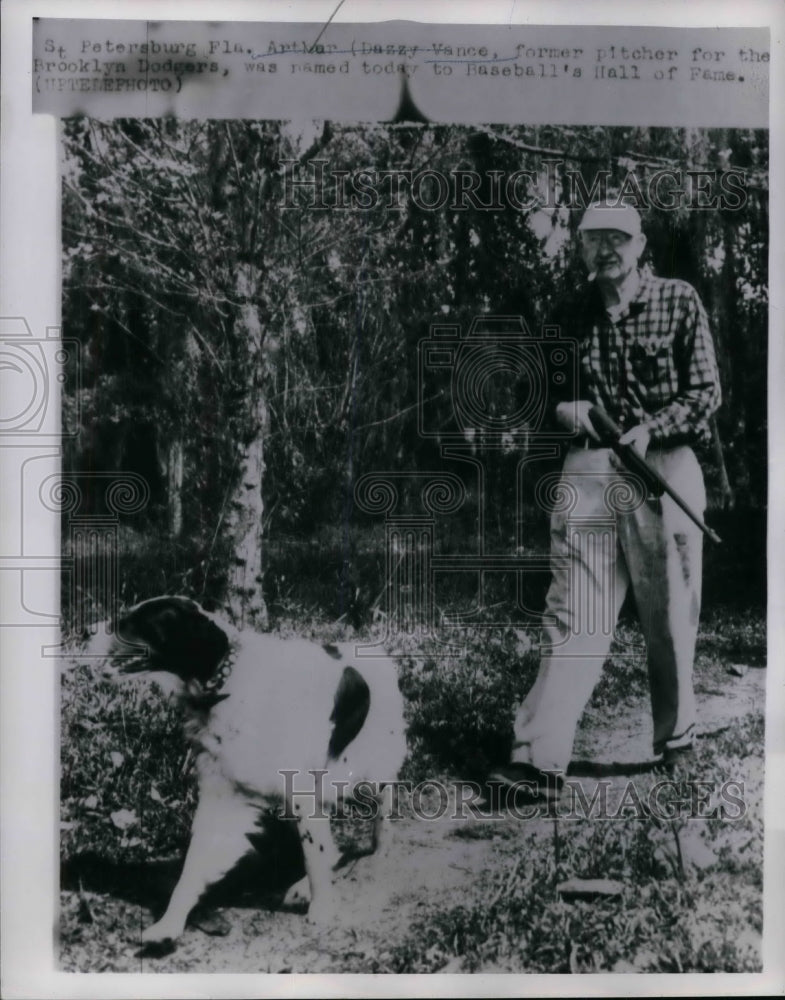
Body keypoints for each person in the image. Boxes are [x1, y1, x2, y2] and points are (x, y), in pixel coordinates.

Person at [491, 202, 722, 803]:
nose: (606, 250)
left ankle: (677, 740)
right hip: (591, 464)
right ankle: (540, 758)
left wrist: (653, 426)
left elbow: (705, 391)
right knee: (572, 613)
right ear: (580, 248)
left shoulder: (679, 300)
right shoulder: (569, 312)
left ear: (640, 244)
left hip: (665, 462)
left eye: (618, 238)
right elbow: (542, 390)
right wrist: (564, 408)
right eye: (594, 239)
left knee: (669, 610)